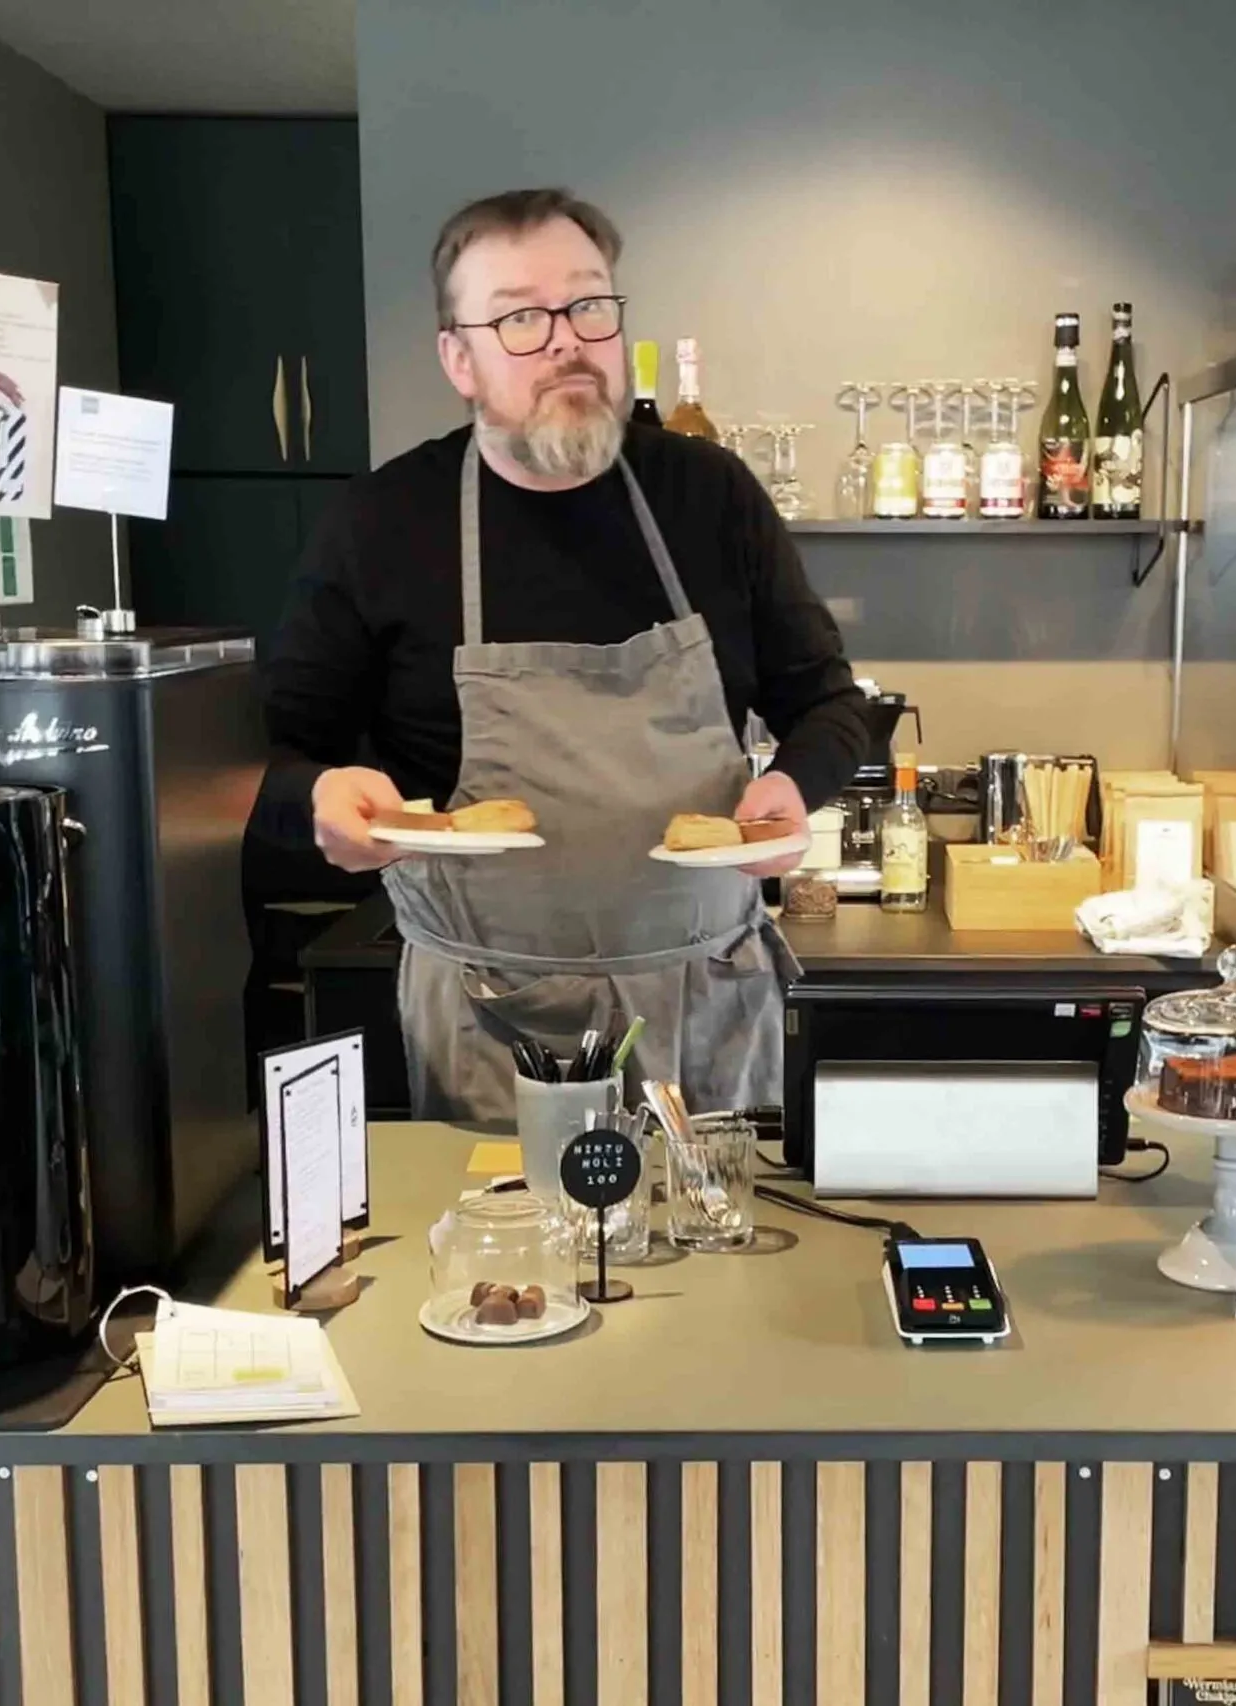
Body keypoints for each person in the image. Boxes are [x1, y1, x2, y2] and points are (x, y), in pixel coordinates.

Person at [257, 187, 869, 1122]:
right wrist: (319, 799)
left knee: (714, 1223)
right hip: (487, 1020)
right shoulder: (381, 524)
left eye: (588, 304)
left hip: (706, 1005)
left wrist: (793, 787)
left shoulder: (711, 497)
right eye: (519, 317)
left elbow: (829, 704)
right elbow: (270, 757)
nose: (565, 340)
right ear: (458, 359)